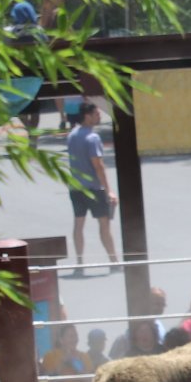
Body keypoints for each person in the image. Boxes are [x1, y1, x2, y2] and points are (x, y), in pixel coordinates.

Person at [66, 103, 119, 274]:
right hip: (94, 188)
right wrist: (108, 189)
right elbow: (98, 166)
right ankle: (114, 261)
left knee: (78, 224)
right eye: (96, 114)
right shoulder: (93, 138)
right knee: (104, 225)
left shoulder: (72, 135)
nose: (99, 116)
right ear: (87, 116)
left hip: (75, 187)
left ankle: (80, 263)